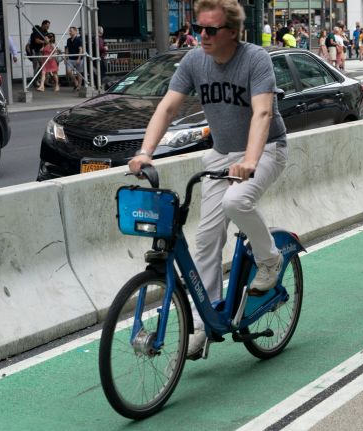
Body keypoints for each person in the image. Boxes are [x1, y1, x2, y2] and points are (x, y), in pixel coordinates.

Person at [128, 0, 288, 359]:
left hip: (265, 150)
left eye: (211, 30)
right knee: (204, 240)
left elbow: (263, 111)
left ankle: (270, 260)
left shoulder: (254, 59)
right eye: (199, 28)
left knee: (236, 201)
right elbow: (168, 108)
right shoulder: (194, 61)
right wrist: (145, 152)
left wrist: (249, 160)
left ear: (232, 32)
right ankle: (204, 323)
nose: (202, 36)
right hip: (221, 154)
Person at [27, 20, 50, 86]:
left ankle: (44, 81)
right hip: (36, 51)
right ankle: (35, 81)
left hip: (42, 51)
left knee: (43, 66)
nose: (48, 27)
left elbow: (47, 40)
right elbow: (37, 40)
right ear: (43, 24)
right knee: (38, 66)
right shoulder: (37, 31)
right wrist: (44, 41)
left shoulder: (45, 32)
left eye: (48, 26)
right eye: (47, 26)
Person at [65, 26, 84, 91]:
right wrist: (66, 57)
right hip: (70, 58)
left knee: (79, 73)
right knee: (68, 71)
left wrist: (79, 58)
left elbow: (80, 49)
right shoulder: (68, 40)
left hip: (78, 59)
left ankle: (79, 86)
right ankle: (75, 82)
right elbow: (67, 49)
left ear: (75, 31)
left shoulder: (79, 39)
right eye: (69, 31)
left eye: (71, 31)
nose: (69, 32)